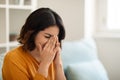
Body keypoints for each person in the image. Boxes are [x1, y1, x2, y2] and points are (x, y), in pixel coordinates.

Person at [2, 8, 66, 80]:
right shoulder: (13, 59)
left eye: (56, 38)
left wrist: (58, 65)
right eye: (47, 36)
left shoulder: (53, 57)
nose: (52, 42)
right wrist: (44, 64)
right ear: (32, 33)